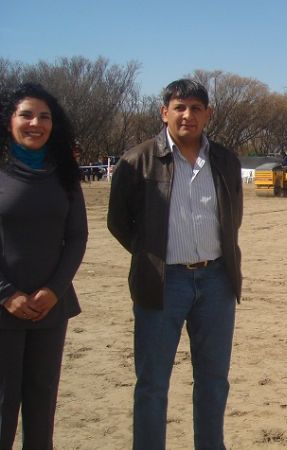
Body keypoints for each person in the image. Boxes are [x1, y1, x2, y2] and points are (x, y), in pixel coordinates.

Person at [107, 79, 243, 450]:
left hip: (216, 281)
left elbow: (233, 218)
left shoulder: (225, 160)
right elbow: (118, 222)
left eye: (197, 108)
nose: (188, 115)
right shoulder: (137, 160)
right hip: (162, 282)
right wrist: (151, 254)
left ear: (208, 114)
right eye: (180, 107)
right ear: (164, 112)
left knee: (215, 380)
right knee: (152, 383)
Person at [0, 83, 88, 449]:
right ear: (9, 121)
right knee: (3, 405)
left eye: (44, 117)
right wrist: (6, 294)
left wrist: (53, 290)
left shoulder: (64, 174)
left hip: (50, 308)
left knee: (41, 406)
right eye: (26, 115)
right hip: (3, 307)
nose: (35, 123)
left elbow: (77, 237)